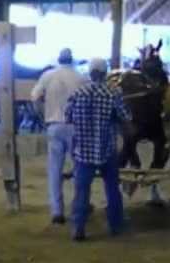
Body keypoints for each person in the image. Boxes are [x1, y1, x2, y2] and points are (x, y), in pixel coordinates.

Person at [63, 58, 131, 242]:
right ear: (105, 73)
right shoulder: (113, 93)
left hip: (83, 151)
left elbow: (67, 117)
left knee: (82, 190)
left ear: (90, 73)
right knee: (112, 189)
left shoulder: (78, 93)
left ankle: (78, 228)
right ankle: (115, 226)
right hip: (106, 149)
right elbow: (126, 117)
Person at [31, 48, 85, 224]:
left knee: (54, 169)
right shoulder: (81, 77)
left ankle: (57, 210)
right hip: (77, 127)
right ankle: (79, 205)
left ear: (59, 60)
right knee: (80, 169)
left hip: (54, 125)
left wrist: (41, 115)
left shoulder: (48, 75)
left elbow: (35, 97)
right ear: (72, 60)